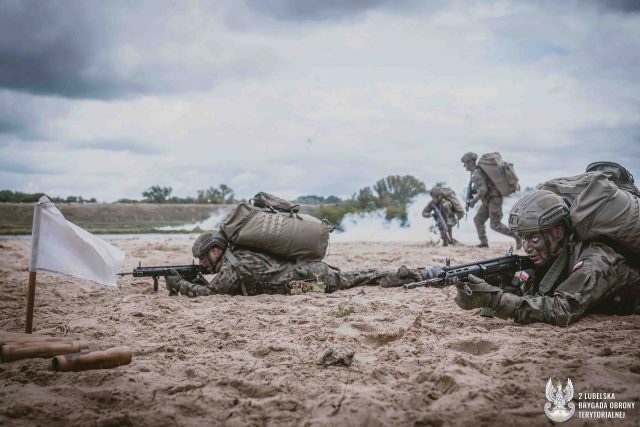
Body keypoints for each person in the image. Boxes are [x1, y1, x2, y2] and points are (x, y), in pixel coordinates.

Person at [452, 190, 640, 326]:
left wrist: (495, 300)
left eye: (534, 238)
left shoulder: (596, 260)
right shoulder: (549, 255)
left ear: (558, 232)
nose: (526, 247)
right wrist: (500, 285)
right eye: (522, 238)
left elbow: (563, 309)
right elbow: (529, 291)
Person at [165, 230, 433, 297]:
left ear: (215, 251)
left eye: (203, 258)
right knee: (360, 277)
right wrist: (194, 278)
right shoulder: (235, 257)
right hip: (307, 279)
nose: (202, 263)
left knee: (366, 277)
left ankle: (421, 275)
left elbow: (214, 294)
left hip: (310, 281)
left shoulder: (234, 264)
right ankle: (420, 275)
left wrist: (182, 285)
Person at [461, 152, 522, 249]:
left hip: (494, 200)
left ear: (471, 162)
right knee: (478, 220)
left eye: (465, 163)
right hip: (488, 200)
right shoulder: (477, 172)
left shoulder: (476, 173)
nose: (464, 166)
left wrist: (474, 201)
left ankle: (518, 236)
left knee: (495, 224)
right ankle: (484, 242)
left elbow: (483, 190)